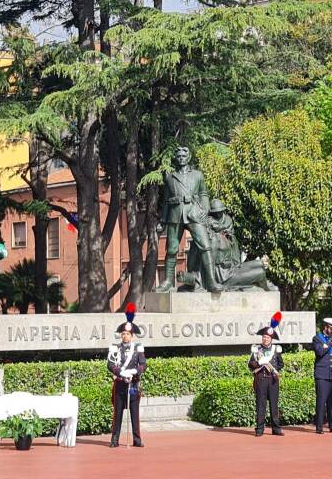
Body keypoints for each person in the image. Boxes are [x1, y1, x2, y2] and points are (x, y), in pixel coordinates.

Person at [157, 146, 220, 293]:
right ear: (175, 158)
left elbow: (203, 193)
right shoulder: (170, 177)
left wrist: (204, 210)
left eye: (183, 156)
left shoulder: (197, 175)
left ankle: (211, 281)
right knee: (172, 249)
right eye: (178, 156)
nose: (181, 158)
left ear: (189, 157)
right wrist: (162, 221)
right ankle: (167, 282)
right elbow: (166, 200)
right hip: (175, 214)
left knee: (205, 246)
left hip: (193, 213)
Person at [107, 302, 146, 448]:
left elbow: (143, 364)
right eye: (123, 334)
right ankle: (115, 439)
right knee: (117, 414)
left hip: (133, 384)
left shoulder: (138, 347)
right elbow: (110, 364)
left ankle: (137, 439)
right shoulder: (114, 347)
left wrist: (136, 371)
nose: (125, 336)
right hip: (120, 384)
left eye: (128, 334)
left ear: (132, 335)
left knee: (134, 414)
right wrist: (120, 372)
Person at [249, 312, 284, 437]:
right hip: (261, 379)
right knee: (260, 405)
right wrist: (259, 362)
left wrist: (274, 369)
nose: (265, 339)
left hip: (273, 380)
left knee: (274, 405)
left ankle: (276, 429)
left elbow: (281, 364)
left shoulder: (276, 350)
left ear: (271, 339)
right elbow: (250, 365)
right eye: (264, 337)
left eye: (267, 337)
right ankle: (259, 429)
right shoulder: (256, 350)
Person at [312, 317, 332, 434]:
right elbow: (320, 352)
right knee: (321, 401)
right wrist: (329, 342)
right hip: (322, 374)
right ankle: (319, 426)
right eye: (331, 328)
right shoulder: (317, 339)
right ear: (325, 327)